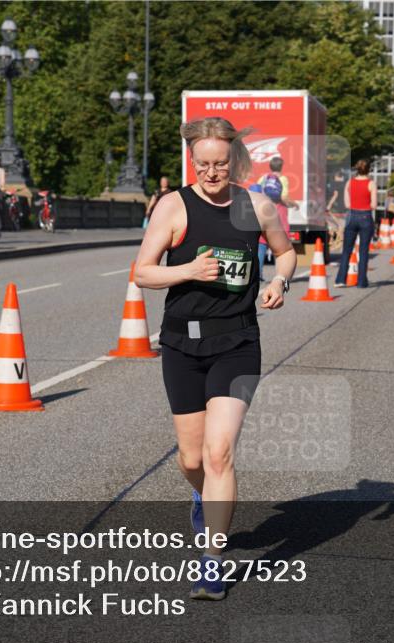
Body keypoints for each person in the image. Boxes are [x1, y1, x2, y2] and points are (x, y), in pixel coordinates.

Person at [134, 117, 296, 600]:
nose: (211, 172)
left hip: (238, 342)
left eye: (220, 163)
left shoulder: (257, 205)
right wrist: (187, 269)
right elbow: (142, 273)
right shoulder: (172, 206)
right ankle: (202, 495)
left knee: (219, 451)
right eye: (203, 163)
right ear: (192, 161)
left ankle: (212, 561)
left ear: (234, 160)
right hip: (183, 345)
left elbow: (286, 253)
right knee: (191, 458)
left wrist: (278, 281)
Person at [336, 159, 376, 288]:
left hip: (352, 216)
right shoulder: (371, 184)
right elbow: (374, 205)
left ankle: (341, 279)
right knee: (363, 251)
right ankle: (361, 281)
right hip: (365, 216)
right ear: (368, 169)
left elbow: (347, 204)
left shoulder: (349, 182)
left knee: (347, 250)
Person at [256, 157, 297, 281]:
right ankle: (280, 275)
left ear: (270, 166)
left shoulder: (263, 178)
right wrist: (294, 204)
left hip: (264, 210)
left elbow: (258, 192)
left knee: (262, 244)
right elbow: (283, 197)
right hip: (279, 212)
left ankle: (257, 274)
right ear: (281, 166)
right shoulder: (283, 179)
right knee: (281, 246)